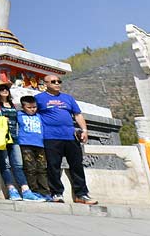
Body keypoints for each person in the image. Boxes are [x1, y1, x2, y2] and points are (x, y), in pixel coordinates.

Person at [36, 75, 98, 205]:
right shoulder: (39, 98)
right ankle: (56, 193)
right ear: (45, 83)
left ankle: (81, 194)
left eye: (59, 81)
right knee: (53, 166)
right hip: (50, 136)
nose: (57, 83)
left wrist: (84, 130)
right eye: (53, 81)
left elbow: (77, 115)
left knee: (77, 165)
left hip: (70, 136)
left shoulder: (68, 98)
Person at [0, 82, 44, 201]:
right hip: (1, 137)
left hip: (14, 137)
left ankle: (25, 190)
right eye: (1, 89)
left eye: (6, 88)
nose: (5, 90)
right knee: (5, 165)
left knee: (18, 164)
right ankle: (11, 190)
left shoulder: (12, 104)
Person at [17, 95, 51, 200]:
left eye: (34, 107)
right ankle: (33, 191)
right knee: (30, 168)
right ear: (23, 107)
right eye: (29, 107)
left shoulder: (39, 116)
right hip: (25, 144)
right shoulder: (18, 114)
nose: (32, 109)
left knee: (42, 168)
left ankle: (45, 192)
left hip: (40, 145)